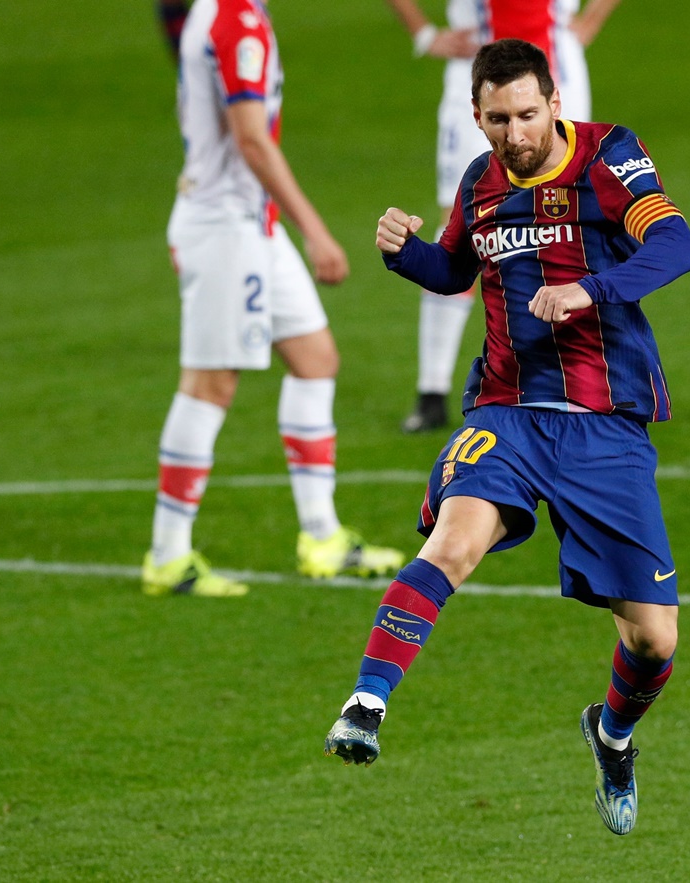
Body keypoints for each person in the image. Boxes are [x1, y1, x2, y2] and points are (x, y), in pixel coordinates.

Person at [324, 39, 690, 836]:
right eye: (498, 119)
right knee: (451, 544)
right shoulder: (482, 182)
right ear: (476, 115)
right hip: (507, 412)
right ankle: (365, 703)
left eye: (528, 114)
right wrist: (404, 254)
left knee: (654, 638)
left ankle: (613, 733)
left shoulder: (607, 156)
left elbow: (676, 244)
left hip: (605, 423)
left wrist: (588, 291)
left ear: (554, 102)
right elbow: (455, 269)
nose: (515, 133)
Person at [142, 0, 405, 597]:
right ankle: (167, 554)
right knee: (211, 383)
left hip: (250, 224)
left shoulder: (231, 13)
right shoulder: (234, 19)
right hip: (226, 228)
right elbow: (252, 140)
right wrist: (315, 230)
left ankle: (321, 537)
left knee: (316, 359)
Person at [384, 0, 624, 432]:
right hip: (478, 80)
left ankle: (572, 378)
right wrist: (424, 34)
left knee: (568, 218)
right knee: (460, 220)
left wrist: (588, 23)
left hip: (556, 70)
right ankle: (432, 388)